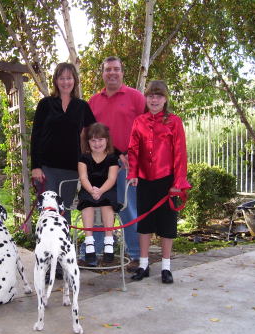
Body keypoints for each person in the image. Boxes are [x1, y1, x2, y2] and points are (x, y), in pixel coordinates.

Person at [30, 62, 96, 280]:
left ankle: (62, 262)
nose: (66, 82)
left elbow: (96, 134)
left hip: (71, 169)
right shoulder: (45, 104)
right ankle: (46, 264)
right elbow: (36, 136)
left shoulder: (81, 106)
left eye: (69, 78)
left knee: (64, 213)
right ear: (56, 81)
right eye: (62, 78)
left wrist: (115, 155)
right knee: (49, 214)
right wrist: (36, 166)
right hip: (47, 168)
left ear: (74, 81)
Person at [127, 80, 191, 284]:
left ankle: (166, 267)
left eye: (159, 96)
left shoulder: (174, 121)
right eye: (151, 96)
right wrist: (133, 173)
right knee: (144, 224)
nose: (154, 99)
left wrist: (178, 182)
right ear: (146, 98)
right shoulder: (139, 121)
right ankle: (143, 265)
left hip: (167, 181)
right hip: (144, 180)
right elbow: (133, 149)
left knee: (167, 225)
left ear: (165, 99)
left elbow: (180, 154)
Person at [87, 56, 146, 271]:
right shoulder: (93, 101)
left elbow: (146, 130)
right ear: (102, 73)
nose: (112, 73)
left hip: (126, 165)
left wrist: (133, 156)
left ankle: (137, 255)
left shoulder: (136, 98)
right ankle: (97, 253)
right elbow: (88, 134)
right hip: (99, 166)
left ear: (122, 72)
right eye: (108, 69)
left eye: (116, 69)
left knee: (127, 209)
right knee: (96, 209)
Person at [77, 123, 121, 266]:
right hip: (89, 188)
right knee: (86, 204)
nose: (97, 143)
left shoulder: (112, 158)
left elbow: (112, 178)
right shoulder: (84, 158)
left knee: (107, 203)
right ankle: (89, 242)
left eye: (100, 139)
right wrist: (91, 190)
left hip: (107, 189)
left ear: (107, 140)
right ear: (88, 142)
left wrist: (100, 191)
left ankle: (109, 242)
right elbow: (83, 177)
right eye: (93, 140)